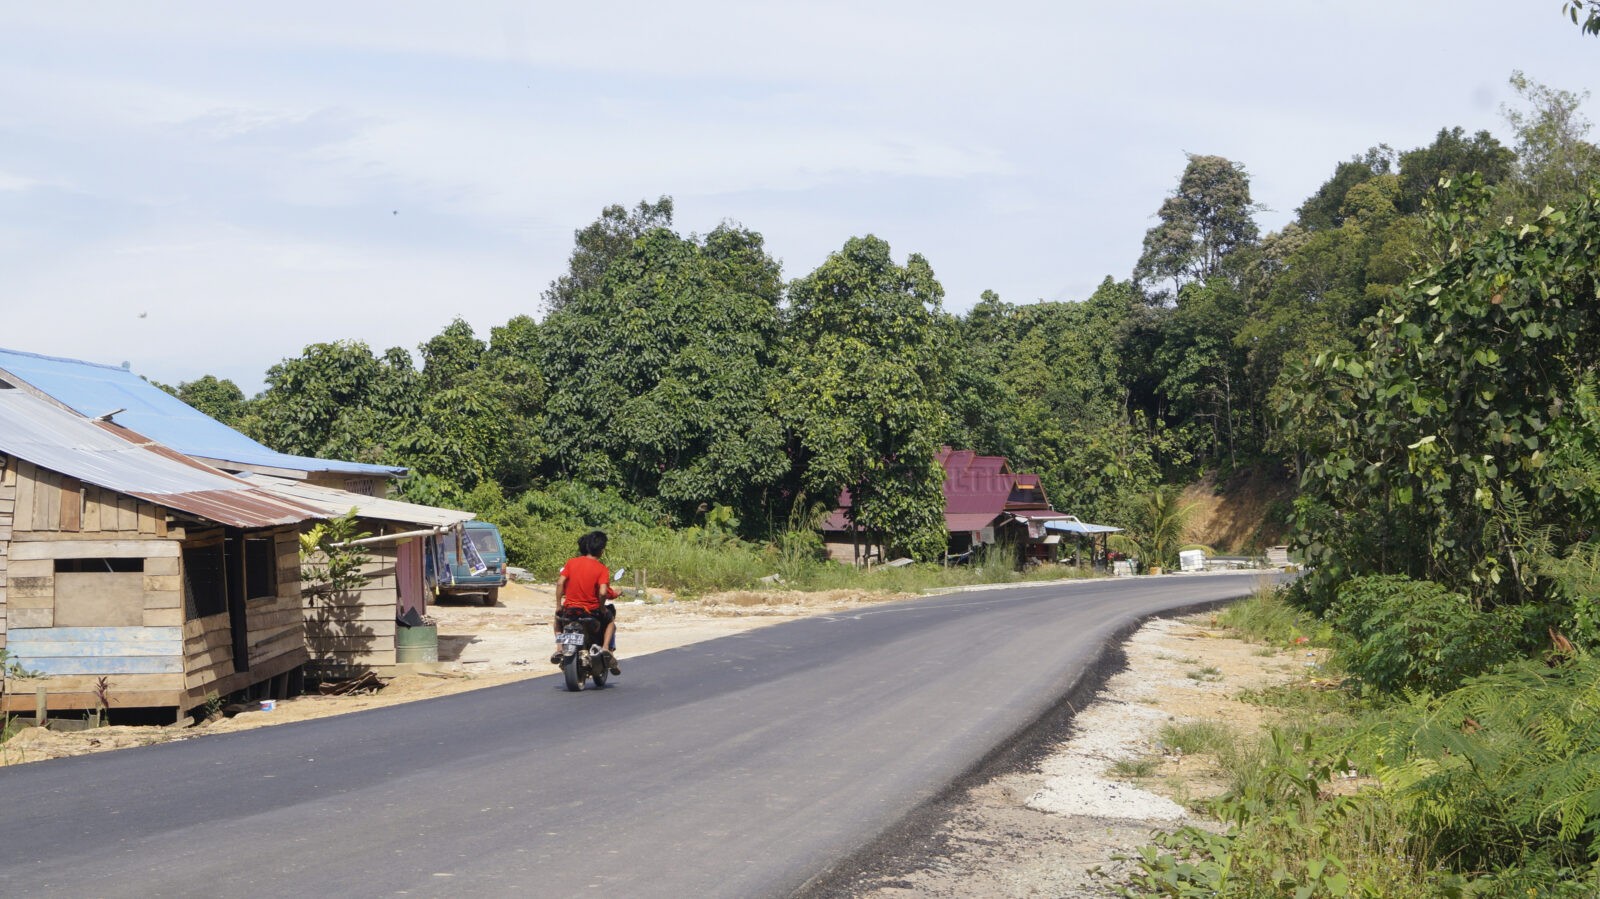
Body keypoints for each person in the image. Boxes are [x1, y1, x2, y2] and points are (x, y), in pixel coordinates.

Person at [550, 530, 621, 674]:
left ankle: (559, 649)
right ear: (601, 551)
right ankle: (606, 649)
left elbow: (560, 583)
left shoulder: (571, 563)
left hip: (570, 611)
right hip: (591, 612)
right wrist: (601, 608)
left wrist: (558, 605)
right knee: (610, 621)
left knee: (557, 619)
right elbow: (603, 592)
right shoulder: (601, 569)